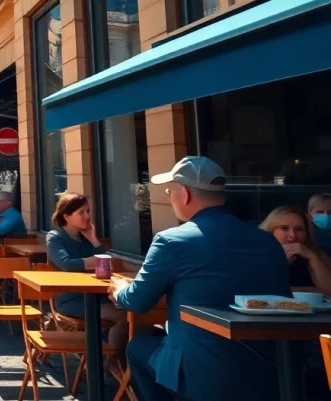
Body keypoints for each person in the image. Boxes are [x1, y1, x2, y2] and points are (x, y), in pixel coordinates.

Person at [109, 156, 291, 401]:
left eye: (169, 191)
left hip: (202, 375)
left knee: (136, 349)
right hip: (270, 373)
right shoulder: (266, 241)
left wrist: (120, 289)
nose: (169, 197)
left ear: (184, 194)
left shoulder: (170, 241)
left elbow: (138, 302)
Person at [46, 192, 127, 352]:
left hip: (97, 296)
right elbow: (66, 264)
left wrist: (94, 239)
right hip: (71, 300)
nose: (87, 216)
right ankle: (109, 363)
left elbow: (108, 264)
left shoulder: (86, 239)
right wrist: (94, 259)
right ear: (67, 216)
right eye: (81, 212)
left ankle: (115, 359)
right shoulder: (55, 237)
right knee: (123, 316)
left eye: (88, 211)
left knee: (136, 313)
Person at [261, 205, 331, 295]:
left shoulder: (317, 254)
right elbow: (262, 289)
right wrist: (281, 264)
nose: (293, 235)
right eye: (284, 228)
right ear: (271, 231)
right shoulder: (260, 255)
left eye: (299, 229)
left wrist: (312, 257)